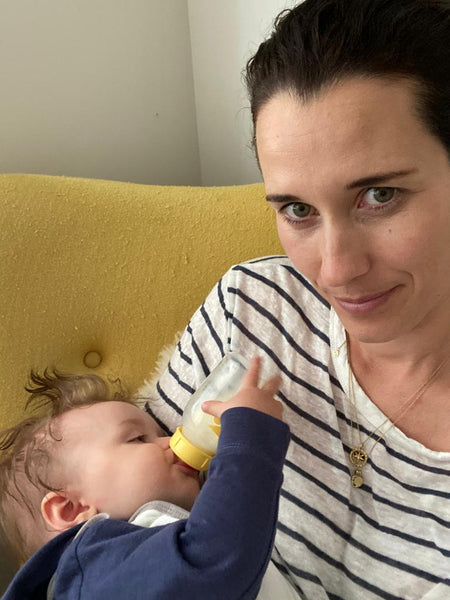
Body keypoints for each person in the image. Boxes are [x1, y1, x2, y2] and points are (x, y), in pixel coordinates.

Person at [140, 1, 450, 598]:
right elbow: (117, 510)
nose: (335, 270)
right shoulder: (252, 307)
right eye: (298, 210)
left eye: (379, 195)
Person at [0, 359, 299, 599]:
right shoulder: (93, 569)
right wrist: (249, 435)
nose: (169, 441)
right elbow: (210, 564)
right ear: (70, 509)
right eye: (138, 439)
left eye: (159, 433)